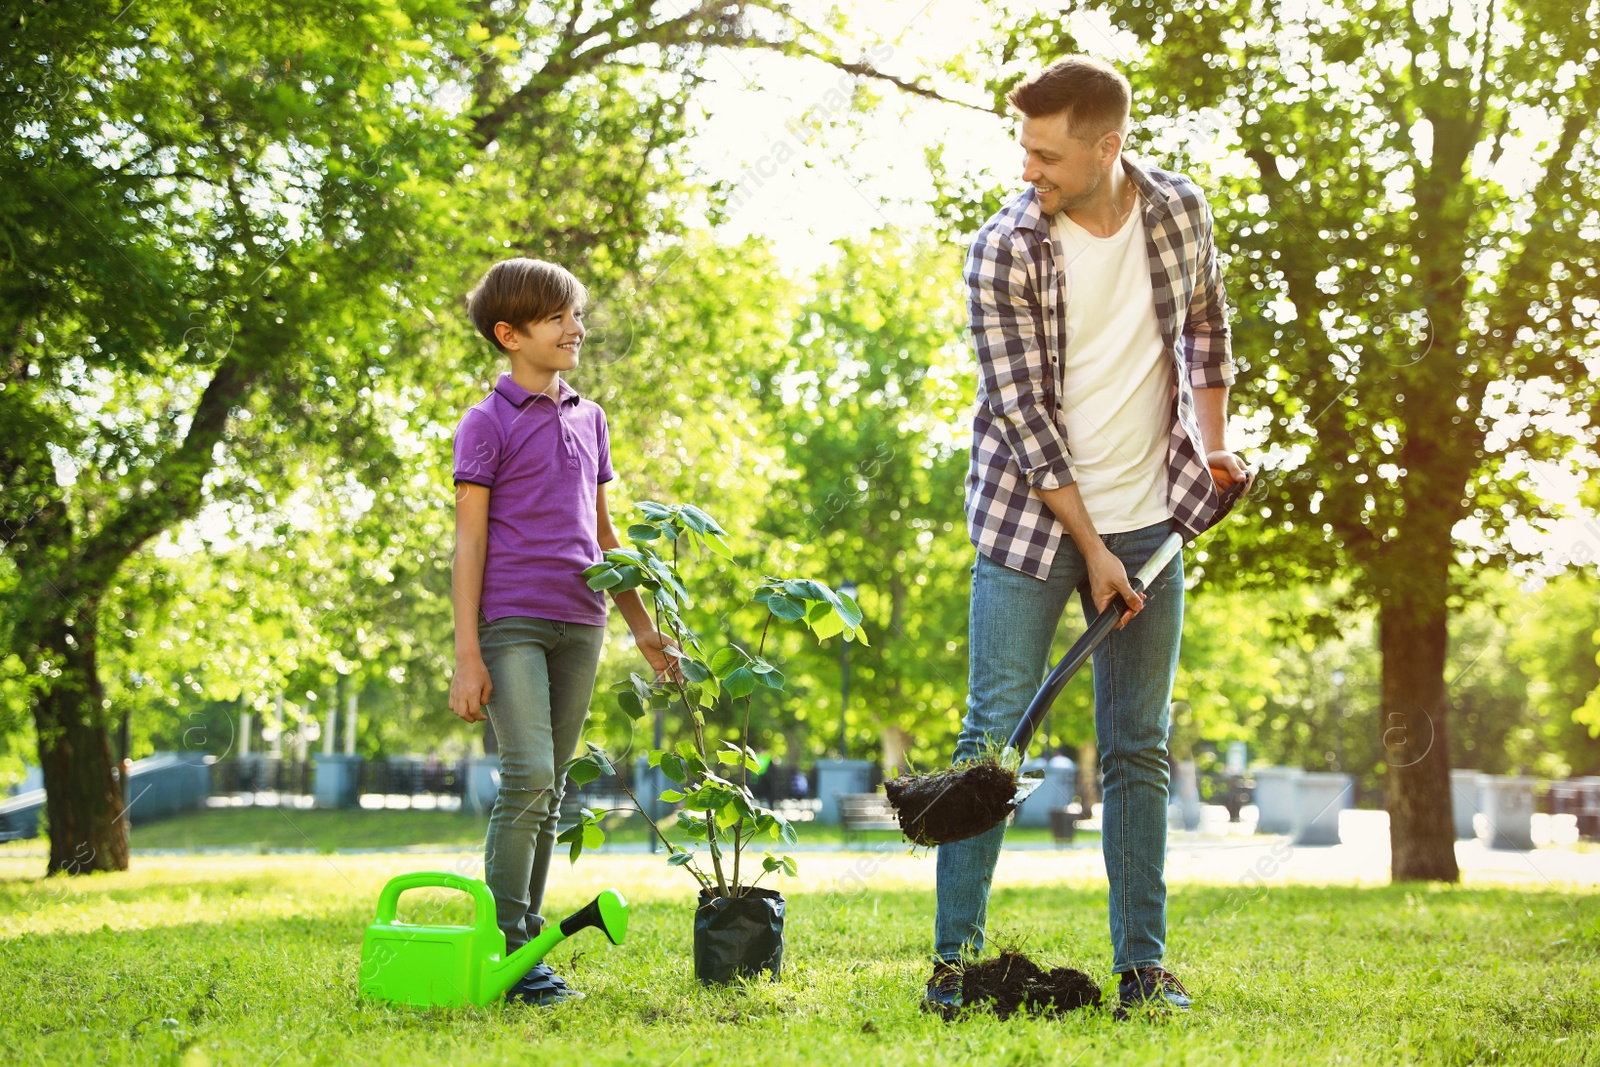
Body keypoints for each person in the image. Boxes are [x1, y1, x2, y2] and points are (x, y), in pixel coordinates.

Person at [924, 56, 1248, 1017]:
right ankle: (954, 965)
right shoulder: (1005, 248)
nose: (1030, 169)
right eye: (1024, 148)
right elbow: (1023, 417)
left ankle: (1143, 968)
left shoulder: (1178, 210)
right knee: (995, 736)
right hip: (1033, 523)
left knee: (1138, 745)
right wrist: (1094, 549)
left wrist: (1217, 447)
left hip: (1150, 514)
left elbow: (1206, 327)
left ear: (1110, 145)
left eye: (1048, 153)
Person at [448, 258, 677, 1006]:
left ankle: (527, 947)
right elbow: (470, 543)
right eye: (558, 318)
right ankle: (508, 944)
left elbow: (604, 530)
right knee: (530, 776)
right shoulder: (486, 423)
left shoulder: (590, 416)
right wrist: (467, 655)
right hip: (510, 621)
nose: (576, 328)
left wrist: (643, 627)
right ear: (509, 334)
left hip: (583, 621)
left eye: (576, 314)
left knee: (549, 792)